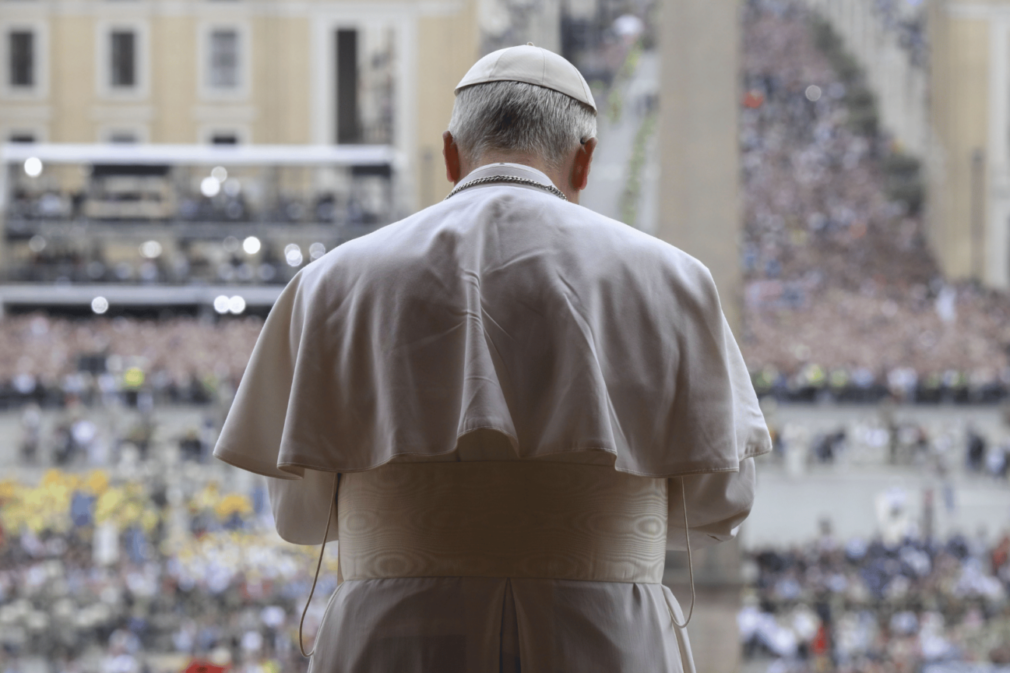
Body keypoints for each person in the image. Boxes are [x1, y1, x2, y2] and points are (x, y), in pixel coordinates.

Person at [214, 44, 771, 672]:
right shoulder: (674, 281)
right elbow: (718, 503)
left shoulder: (331, 283)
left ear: (451, 154)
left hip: (395, 637)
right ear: (584, 163)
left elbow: (301, 515)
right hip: (605, 638)